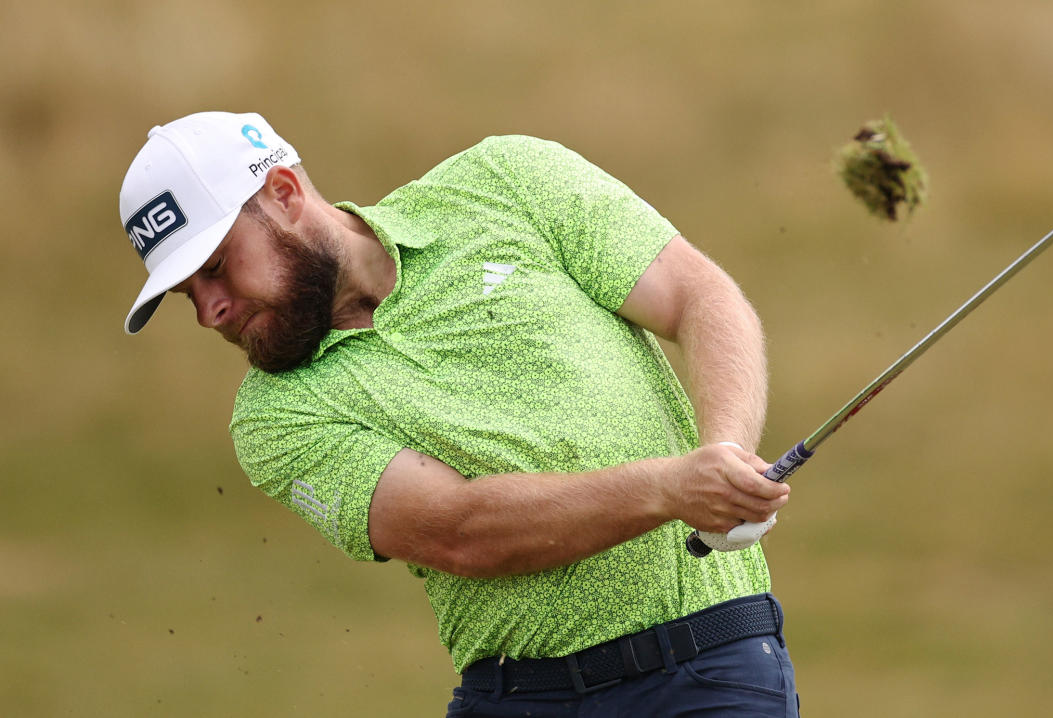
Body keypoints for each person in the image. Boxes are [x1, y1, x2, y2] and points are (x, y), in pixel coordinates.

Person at [118, 111, 798, 717]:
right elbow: (460, 533)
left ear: (285, 195)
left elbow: (695, 296)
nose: (210, 311)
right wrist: (672, 488)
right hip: (519, 697)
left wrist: (725, 463)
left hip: (712, 674)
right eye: (187, 295)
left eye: (216, 268)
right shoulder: (275, 414)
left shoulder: (505, 181)